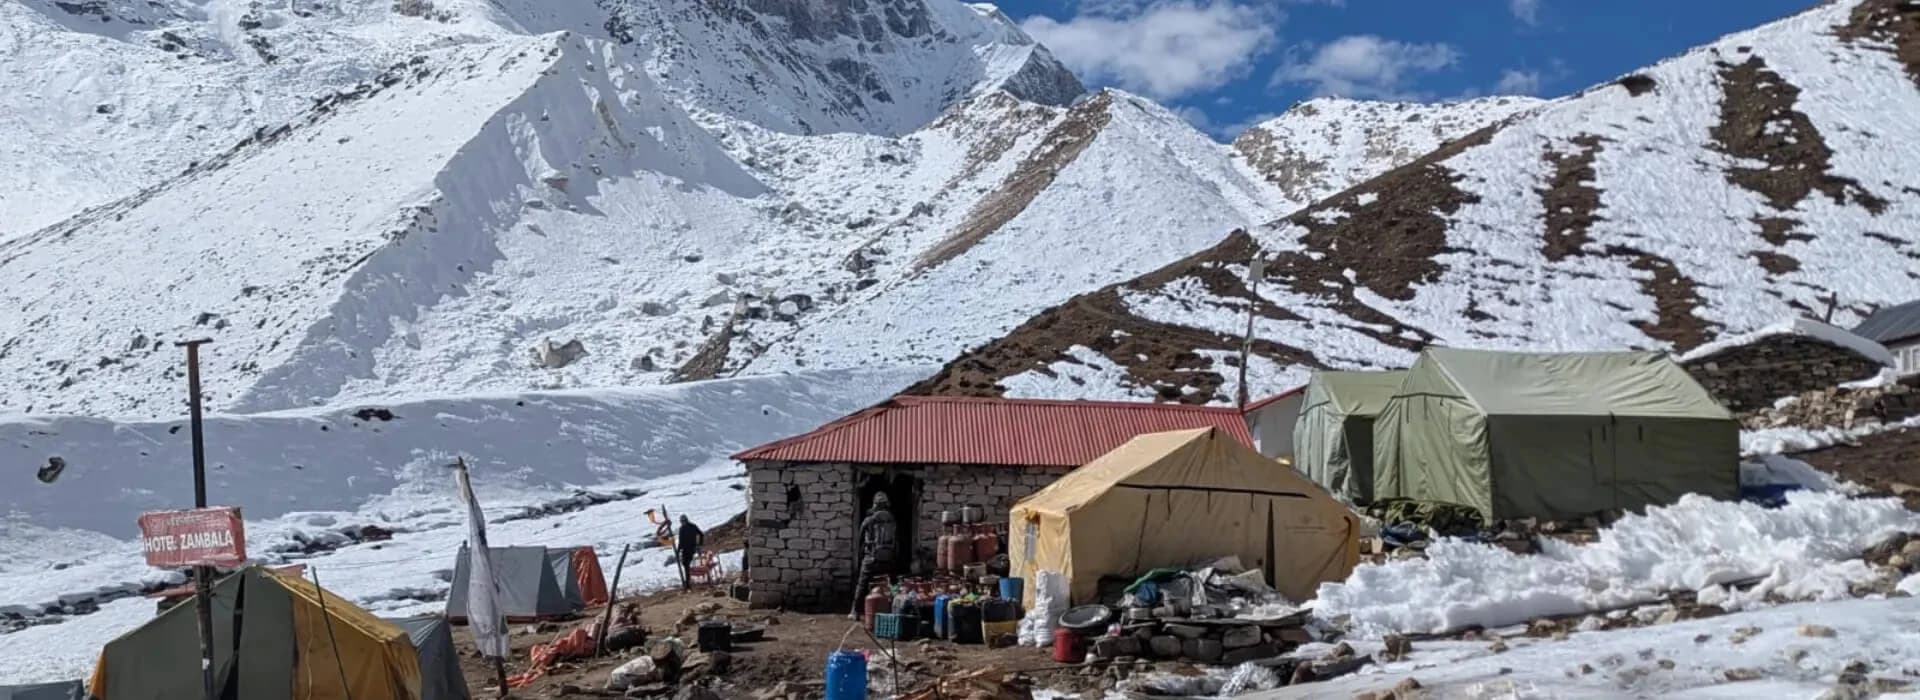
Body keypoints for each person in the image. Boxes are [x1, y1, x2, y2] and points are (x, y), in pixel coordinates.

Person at [849, 493, 898, 619]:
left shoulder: (869, 520)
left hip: (871, 558)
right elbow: (897, 542)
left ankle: (855, 611)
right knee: (890, 585)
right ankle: (892, 610)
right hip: (888, 558)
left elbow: (860, 541)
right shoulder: (892, 520)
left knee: (862, 584)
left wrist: (861, 558)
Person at [676, 515, 704, 590]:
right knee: (686, 565)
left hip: (689, 549)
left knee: (686, 564)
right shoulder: (688, 527)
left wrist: (699, 544)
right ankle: (688, 582)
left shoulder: (688, 527)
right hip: (688, 549)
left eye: (683, 521)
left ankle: (688, 583)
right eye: (681, 521)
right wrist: (678, 550)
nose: (682, 523)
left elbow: (701, 534)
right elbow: (681, 541)